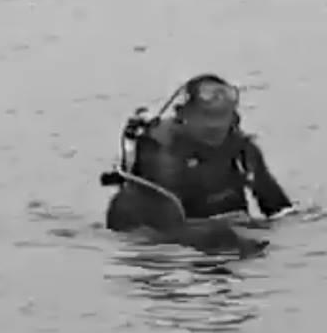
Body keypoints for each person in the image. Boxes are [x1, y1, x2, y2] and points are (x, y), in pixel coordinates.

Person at [101, 74, 294, 253]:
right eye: (205, 117)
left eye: (221, 117)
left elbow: (280, 211)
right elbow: (156, 232)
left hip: (230, 241)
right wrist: (221, 237)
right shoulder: (161, 151)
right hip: (177, 252)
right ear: (183, 115)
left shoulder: (244, 152)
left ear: (234, 117)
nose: (214, 127)